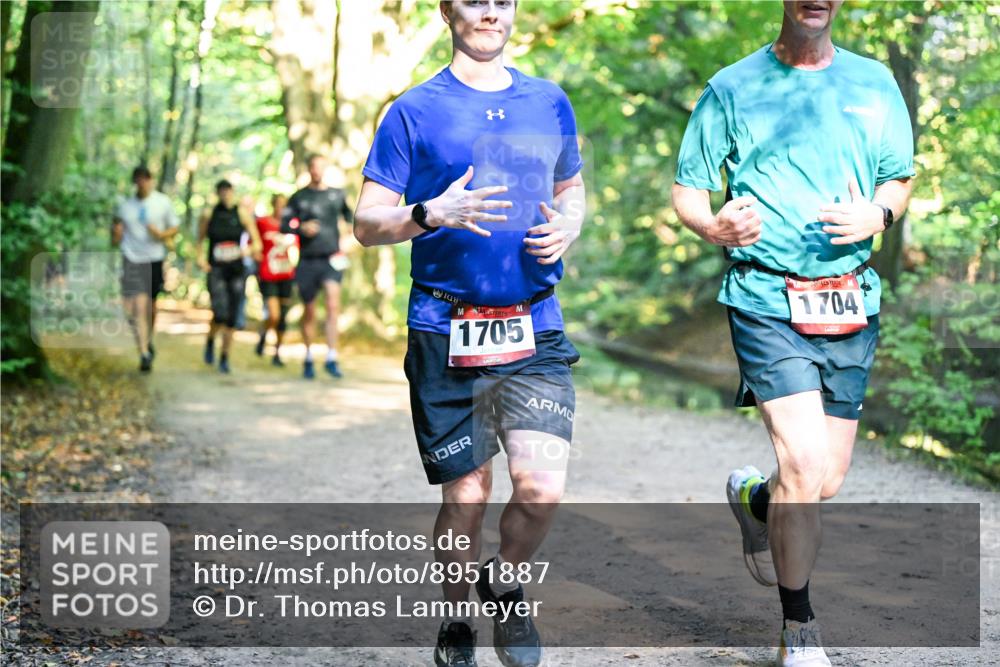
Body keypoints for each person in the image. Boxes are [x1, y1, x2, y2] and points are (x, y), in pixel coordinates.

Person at [672, 1, 915, 664]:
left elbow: (897, 178)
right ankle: (799, 630)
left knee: (823, 479)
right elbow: (689, 190)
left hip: (849, 298)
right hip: (765, 296)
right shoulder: (732, 87)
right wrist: (714, 225)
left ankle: (757, 499)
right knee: (803, 464)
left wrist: (878, 214)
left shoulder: (874, 84)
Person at [355, 1, 586, 665]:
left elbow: (571, 188)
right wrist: (430, 212)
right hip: (444, 326)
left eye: (502, 1)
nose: (490, 13)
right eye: (475, 0)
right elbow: (366, 223)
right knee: (467, 494)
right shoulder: (412, 111)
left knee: (541, 489)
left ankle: (504, 581)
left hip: (533, 322)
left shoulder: (549, 101)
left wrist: (571, 222)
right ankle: (458, 618)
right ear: (446, 10)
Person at [280, 154, 353, 379]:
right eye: (313, 166)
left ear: (325, 169)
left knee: (333, 305)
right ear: (308, 169)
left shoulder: (337, 194)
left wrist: (346, 242)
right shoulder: (299, 197)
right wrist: (300, 228)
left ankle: (332, 357)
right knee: (309, 310)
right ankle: (309, 356)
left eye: (321, 167)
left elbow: (351, 220)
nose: (317, 170)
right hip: (307, 260)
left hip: (331, 259)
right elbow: (284, 225)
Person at [112, 165, 180, 373]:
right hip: (131, 259)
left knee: (150, 307)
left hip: (154, 259)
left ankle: (147, 341)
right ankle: (143, 352)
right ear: (134, 181)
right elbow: (115, 237)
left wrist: (161, 235)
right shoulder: (124, 206)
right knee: (135, 307)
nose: (142, 182)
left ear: (151, 180)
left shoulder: (162, 202)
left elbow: (174, 228)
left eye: (145, 178)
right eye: (138, 179)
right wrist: (116, 234)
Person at [197, 180, 262, 374]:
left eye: (228, 191)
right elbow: (200, 241)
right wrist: (201, 259)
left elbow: (257, 243)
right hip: (216, 270)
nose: (225, 194)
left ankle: (224, 357)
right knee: (220, 313)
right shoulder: (210, 214)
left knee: (232, 317)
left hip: (236, 271)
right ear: (218, 193)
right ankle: (210, 340)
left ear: (232, 192)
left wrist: (245, 251)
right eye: (222, 191)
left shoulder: (241, 214)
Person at [255, 193, 298, 366]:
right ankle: (264, 333)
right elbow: (254, 244)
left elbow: (297, 248)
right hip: (268, 274)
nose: (281, 208)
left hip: (287, 275)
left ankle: (277, 353)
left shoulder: (293, 226)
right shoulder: (263, 223)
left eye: (284, 205)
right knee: (274, 314)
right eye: (279, 204)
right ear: (273, 205)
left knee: (283, 317)